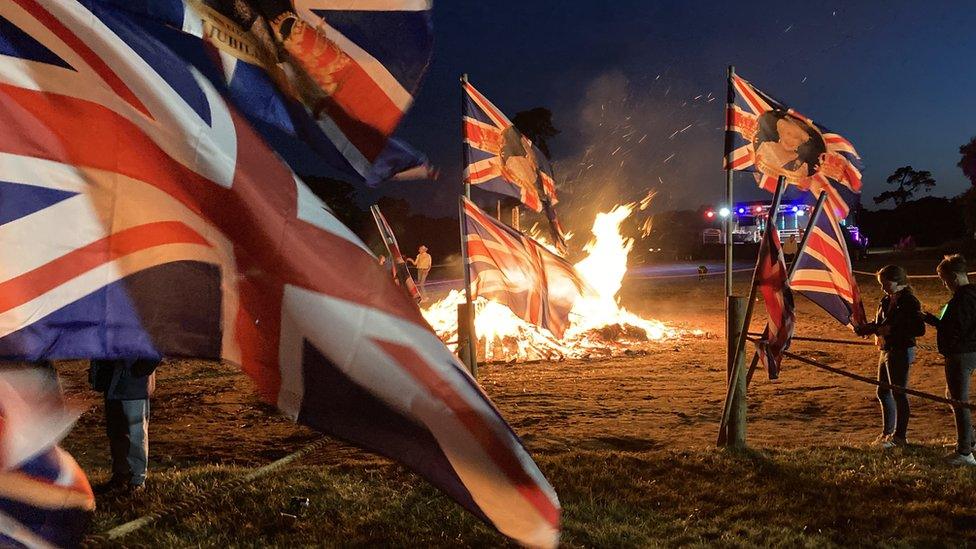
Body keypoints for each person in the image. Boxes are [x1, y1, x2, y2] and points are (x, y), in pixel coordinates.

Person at [855, 265, 924, 448]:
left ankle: (900, 436)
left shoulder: (909, 301)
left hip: (900, 350)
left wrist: (892, 330)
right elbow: (880, 324)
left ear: (897, 282)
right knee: (883, 391)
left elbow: (919, 329)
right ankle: (887, 433)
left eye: (885, 284)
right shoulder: (886, 300)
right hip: (886, 349)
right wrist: (867, 329)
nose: (882, 288)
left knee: (898, 393)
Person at [922, 254, 976, 465]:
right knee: (952, 395)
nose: (944, 284)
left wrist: (943, 333)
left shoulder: (963, 299)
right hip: (966, 351)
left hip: (961, 354)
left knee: (958, 400)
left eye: (944, 280)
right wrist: (932, 320)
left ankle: (964, 451)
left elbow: (957, 328)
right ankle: (969, 440)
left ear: (954, 277)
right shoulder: (969, 295)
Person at [89, 358, 160, 493]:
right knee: (117, 430)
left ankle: (136, 478)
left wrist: (142, 367)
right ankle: (122, 475)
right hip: (115, 379)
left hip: (132, 381)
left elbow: (157, 344)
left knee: (135, 432)